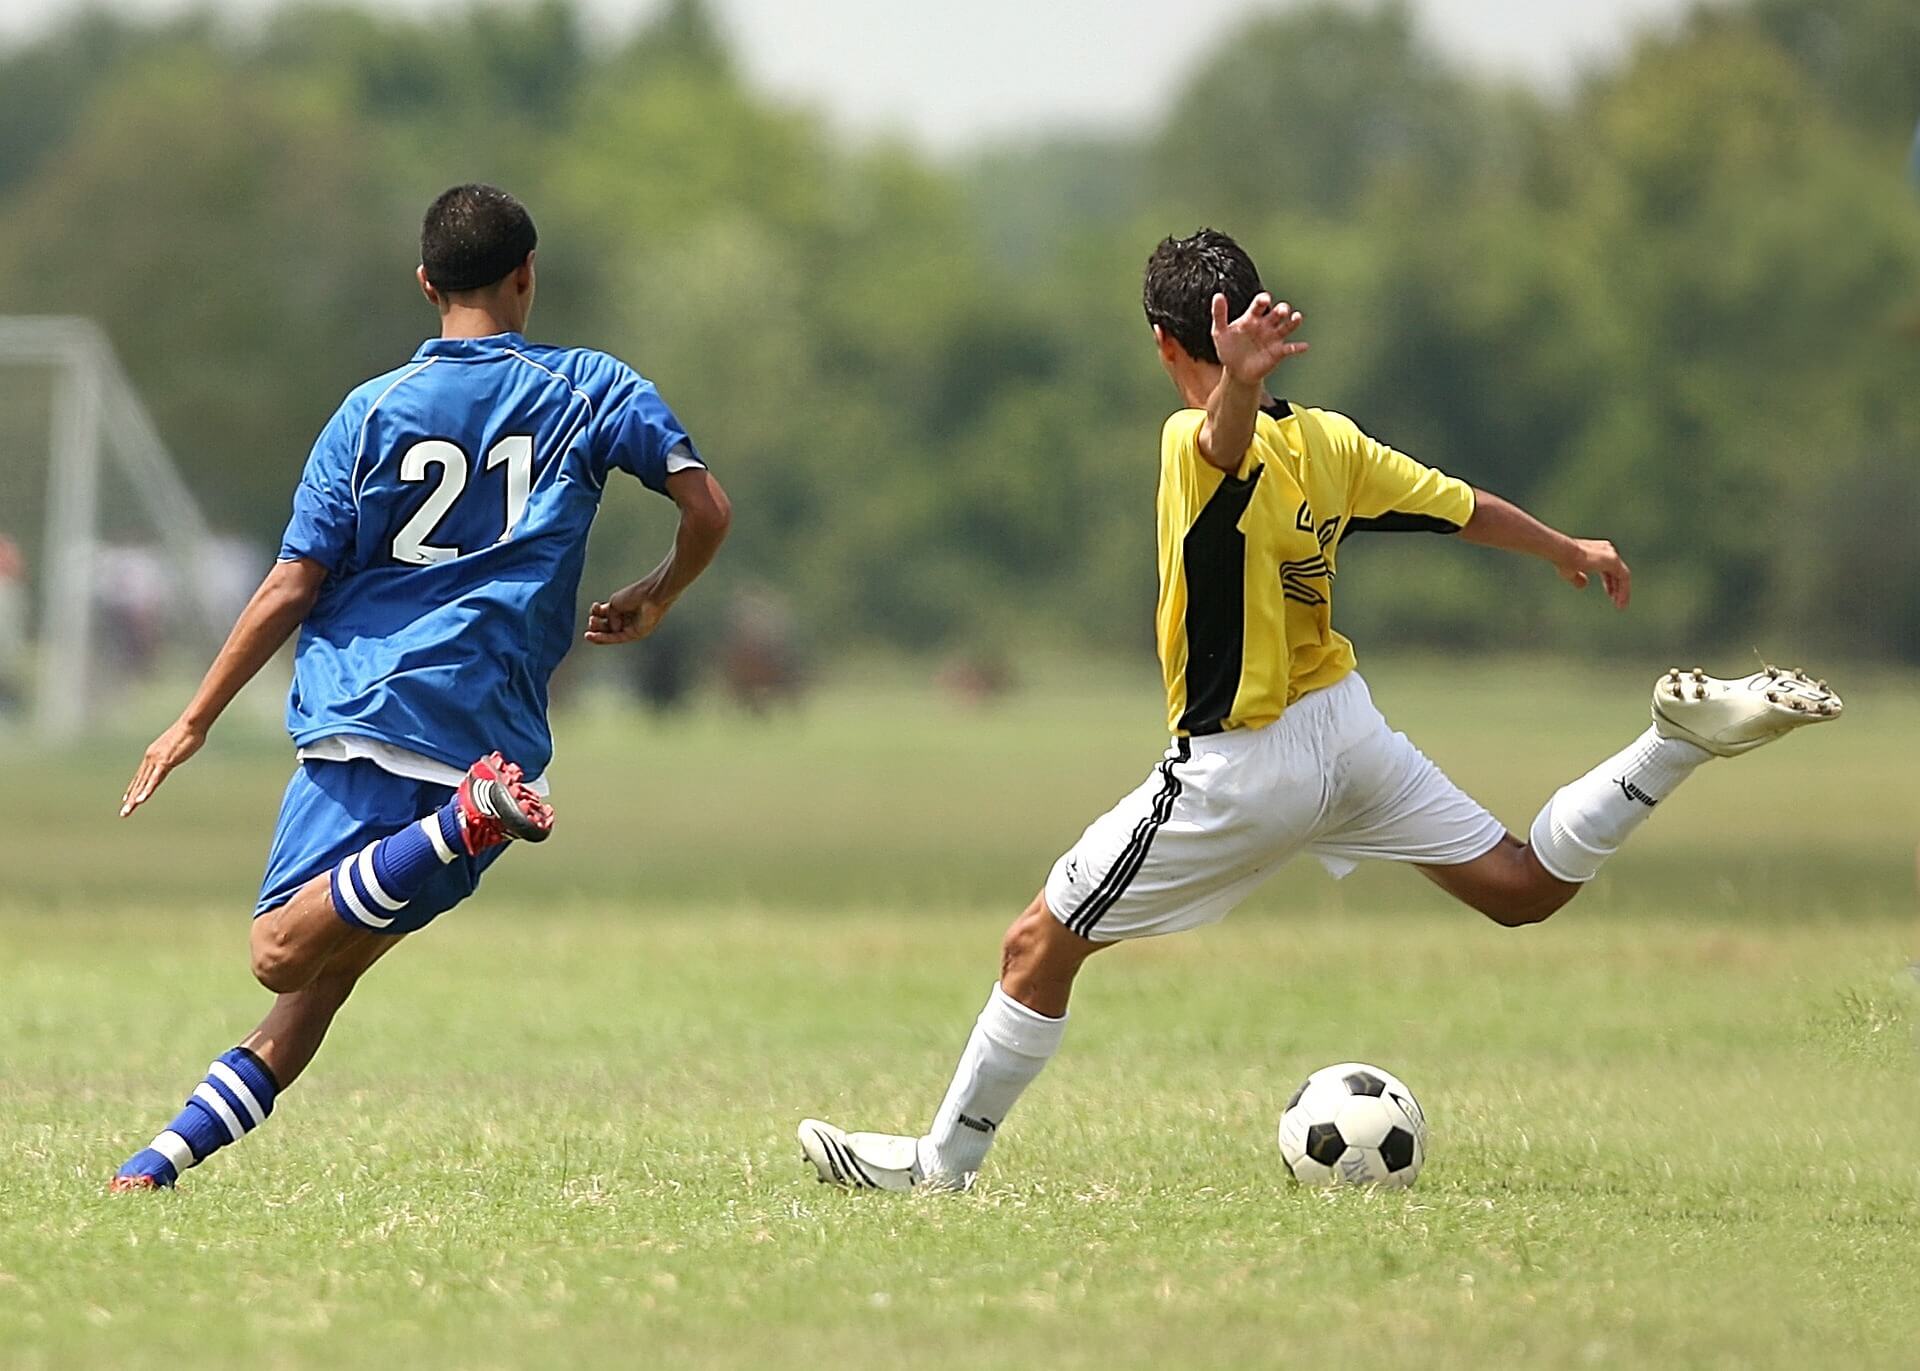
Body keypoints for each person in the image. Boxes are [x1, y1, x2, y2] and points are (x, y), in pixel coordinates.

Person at [796, 228, 1840, 1192]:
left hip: (1242, 765)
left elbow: (1219, 448)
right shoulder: (1331, 442)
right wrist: (1567, 547)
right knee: (1521, 886)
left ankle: (943, 1166)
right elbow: (1459, 506)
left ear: (1165, 343)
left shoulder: (1187, 440)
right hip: (1347, 729)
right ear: (1251, 320)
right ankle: (1669, 746)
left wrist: (1232, 391)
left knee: (1037, 945)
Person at [110, 184, 731, 1190]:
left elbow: (292, 584)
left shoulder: (368, 414)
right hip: (493, 731)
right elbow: (708, 509)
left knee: (278, 952)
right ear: (527, 276)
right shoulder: (591, 387)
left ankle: (457, 823)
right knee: (318, 988)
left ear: (425, 284)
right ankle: (157, 1165)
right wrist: (657, 596)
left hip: (371, 713)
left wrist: (193, 718)